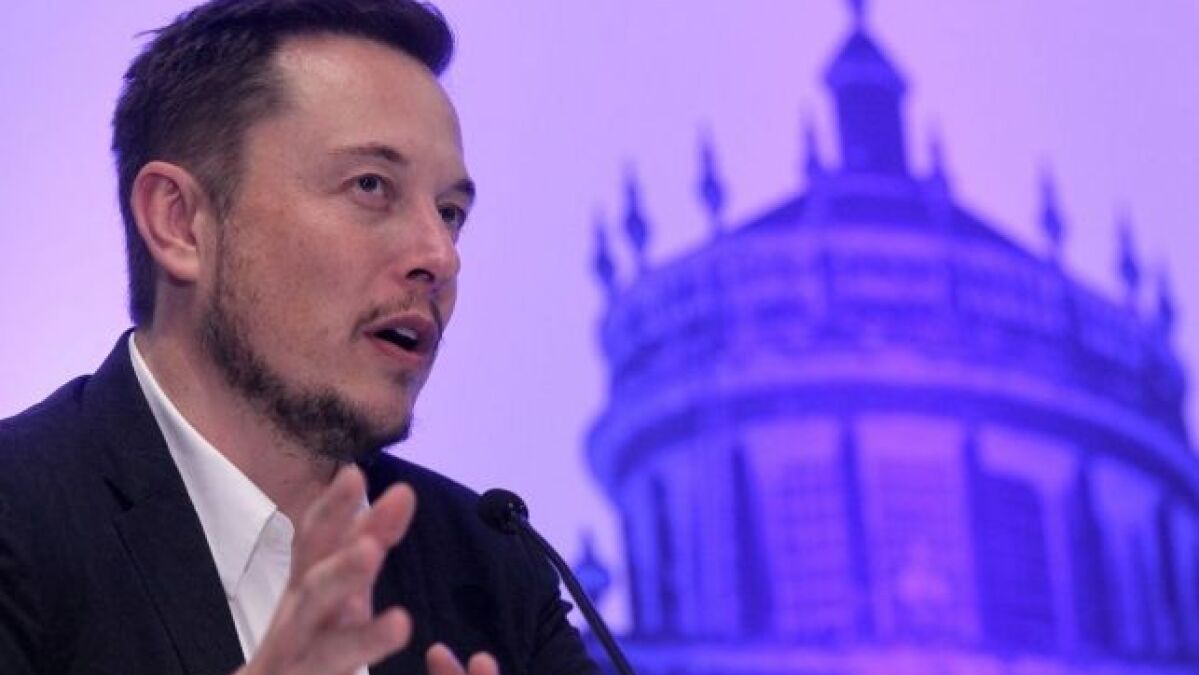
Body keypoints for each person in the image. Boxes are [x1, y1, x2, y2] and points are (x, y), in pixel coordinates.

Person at [0, 1, 598, 674]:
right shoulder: (20, 519)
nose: (440, 255)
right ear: (180, 223)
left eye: (450, 212)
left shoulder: (492, 566)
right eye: (371, 185)